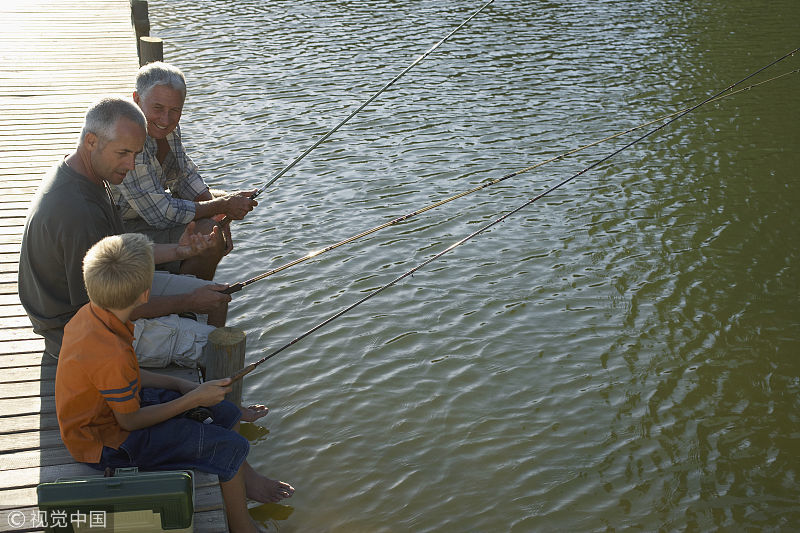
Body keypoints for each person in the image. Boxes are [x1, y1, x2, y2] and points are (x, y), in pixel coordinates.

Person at [56, 233, 294, 533]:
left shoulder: (93, 315)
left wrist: (180, 386)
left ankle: (246, 480)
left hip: (112, 414)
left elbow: (126, 376)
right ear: (145, 294)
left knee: (224, 411)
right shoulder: (110, 352)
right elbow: (129, 421)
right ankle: (241, 526)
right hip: (107, 444)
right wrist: (192, 400)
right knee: (227, 446)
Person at [18, 97, 230, 367]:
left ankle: (209, 388)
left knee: (217, 296)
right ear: (91, 141)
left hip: (111, 289)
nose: (131, 166)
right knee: (217, 346)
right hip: (78, 332)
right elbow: (104, 310)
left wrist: (179, 251)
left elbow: (117, 251)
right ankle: (210, 392)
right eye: (123, 153)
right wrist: (187, 302)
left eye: (136, 154)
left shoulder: (88, 174)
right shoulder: (77, 211)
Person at [111, 61, 258, 280]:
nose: (166, 120)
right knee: (209, 234)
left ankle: (188, 285)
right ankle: (188, 305)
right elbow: (161, 214)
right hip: (114, 230)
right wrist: (221, 209)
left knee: (221, 200)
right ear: (136, 99)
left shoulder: (164, 127)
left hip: (144, 212)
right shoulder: (127, 140)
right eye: (158, 108)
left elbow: (183, 175)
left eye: (175, 110)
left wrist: (221, 209)